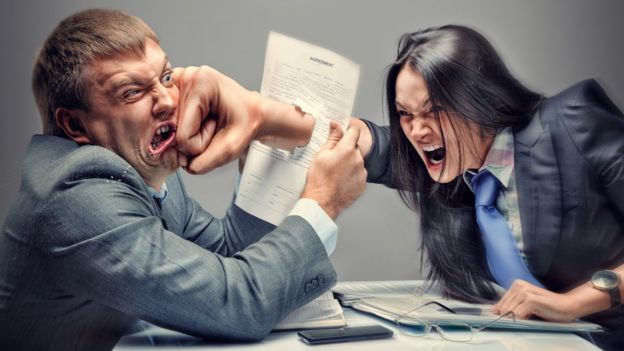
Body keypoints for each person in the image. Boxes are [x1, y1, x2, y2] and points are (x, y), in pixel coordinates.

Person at [0, 9, 367, 350]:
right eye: (132, 92)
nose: (166, 101)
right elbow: (237, 305)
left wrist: (257, 131)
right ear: (75, 125)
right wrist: (322, 201)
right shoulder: (77, 196)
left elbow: (230, 253)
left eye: (166, 77)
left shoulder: (141, 174)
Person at [349, 25, 624, 349]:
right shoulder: (457, 171)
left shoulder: (573, 121)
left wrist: (573, 304)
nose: (417, 130)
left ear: (479, 99)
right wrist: (282, 122)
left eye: (434, 110)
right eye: (404, 114)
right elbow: (374, 145)